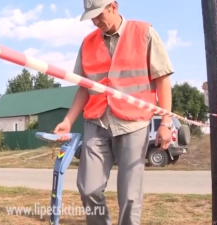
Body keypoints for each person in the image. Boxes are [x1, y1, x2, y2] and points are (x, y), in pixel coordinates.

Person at [53, 0, 174, 224]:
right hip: (96, 122)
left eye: (99, 14)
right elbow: (84, 87)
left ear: (113, 6)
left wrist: (166, 123)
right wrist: (68, 120)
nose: (95, 21)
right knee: (88, 188)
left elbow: (163, 80)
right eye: (91, 17)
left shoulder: (144, 32)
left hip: (134, 124)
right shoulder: (88, 43)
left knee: (129, 196)